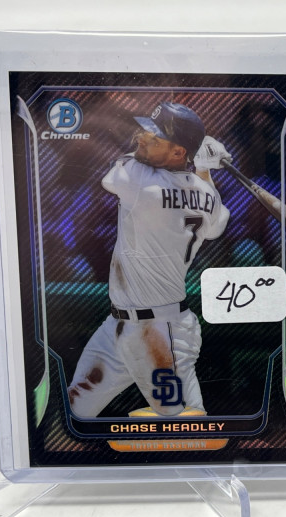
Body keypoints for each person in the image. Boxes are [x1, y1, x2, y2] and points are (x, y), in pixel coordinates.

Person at [68, 102, 231, 418]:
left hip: (158, 333)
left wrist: (198, 157)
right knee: (76, 407)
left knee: (182, 424)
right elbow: (215, 226)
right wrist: (204, 167)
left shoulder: (141, 179)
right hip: (122, 324)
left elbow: (115, 174)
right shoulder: (207, 195)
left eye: (154, 138)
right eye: (145, 131)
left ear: (177, 152)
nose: (141, 138)